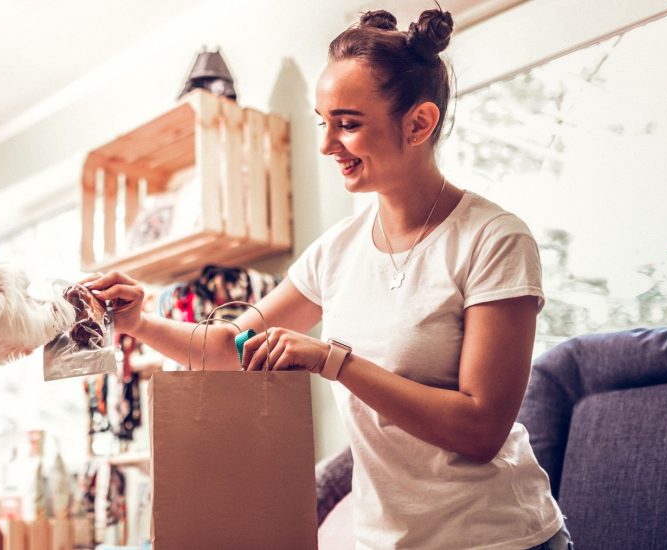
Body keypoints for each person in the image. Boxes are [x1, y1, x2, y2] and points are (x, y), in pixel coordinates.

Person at [87, 9, 572, 549]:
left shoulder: (494, 239)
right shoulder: (336, 252)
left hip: (499, 539)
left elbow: (480, 431)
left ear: (419, 123)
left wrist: (331, 359)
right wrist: (137, 321)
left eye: (348, 123)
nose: (326, 145)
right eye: (324, 122)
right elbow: (227, 347)